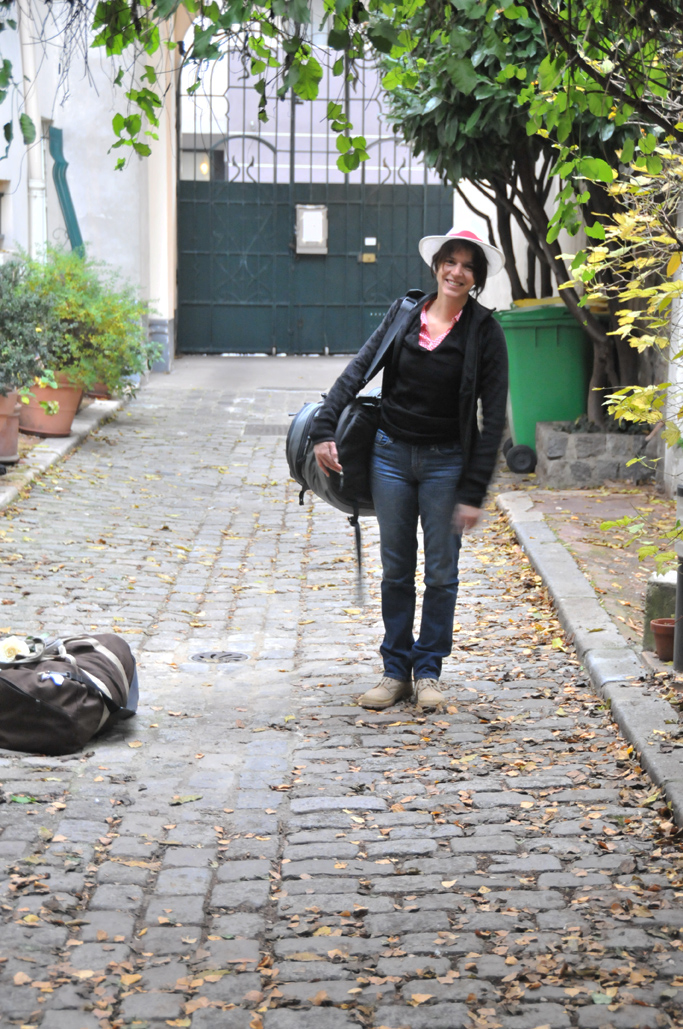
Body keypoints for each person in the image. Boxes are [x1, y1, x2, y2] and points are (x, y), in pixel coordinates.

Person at [310, 228, 508, 711]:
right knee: (396, 569)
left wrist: (473, 491)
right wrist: (323, 428)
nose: (456, 271)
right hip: (390, 456)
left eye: (467, 266)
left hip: (446, 464)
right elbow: (358, 369)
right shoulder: (404, 315)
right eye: (450, 262)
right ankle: (395, 671)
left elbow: (494, 415)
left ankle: (429, 672)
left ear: (476, 278)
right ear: (437, 265)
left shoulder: (485, 331)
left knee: (441, 572)